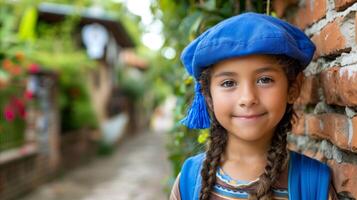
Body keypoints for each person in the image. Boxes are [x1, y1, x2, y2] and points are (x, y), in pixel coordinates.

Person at [170, 12, 338, 200]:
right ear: (208, 95)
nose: (248, 98)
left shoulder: (314, 184)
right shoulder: (188, 181)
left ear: (293, 88)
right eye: (228, 83)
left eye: (264, 80)